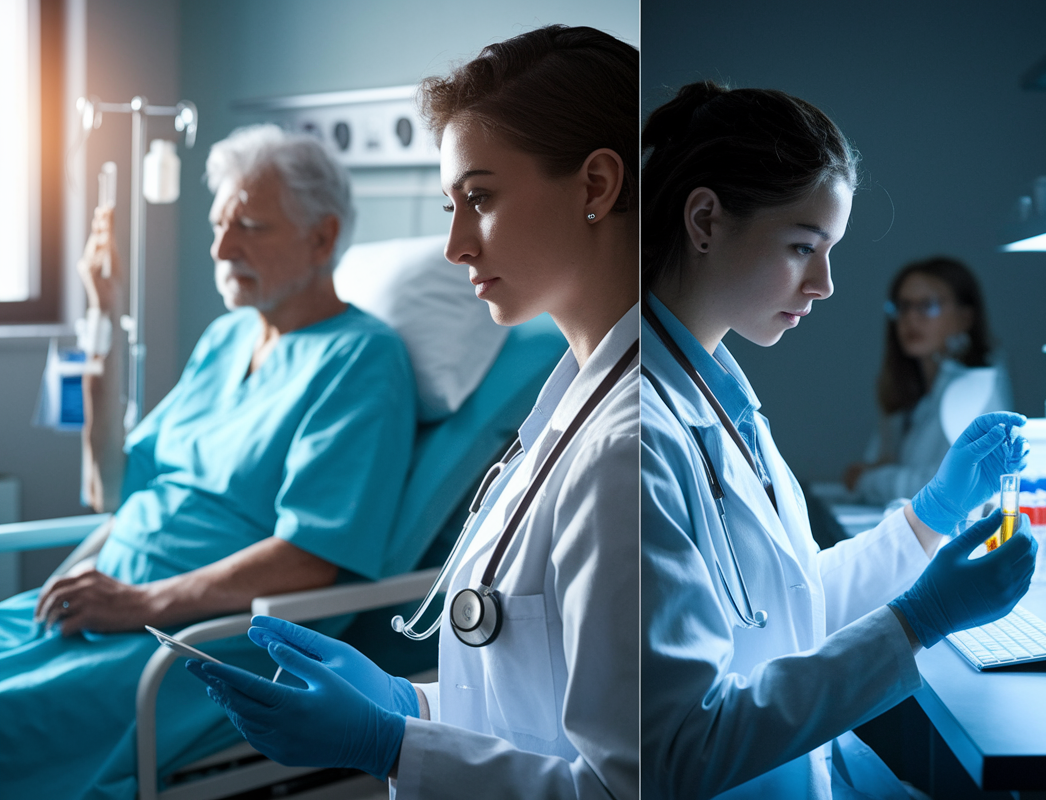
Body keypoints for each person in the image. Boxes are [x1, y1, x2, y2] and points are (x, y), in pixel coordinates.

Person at [185, 25, 640, 799]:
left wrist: (393, 745)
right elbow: (520, 705)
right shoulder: (564, 410)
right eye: (448, 205)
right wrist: (410, 704)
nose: (455, 244)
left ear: (596, 186)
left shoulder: (624, 451)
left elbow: (618, 784)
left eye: (481, 198)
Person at [639, 82, 1037, 799]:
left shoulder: (721, 400)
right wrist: (919, 620)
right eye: (802, 247)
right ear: (704, 220)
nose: (824, 284)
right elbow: (680, 753)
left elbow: (790, 605)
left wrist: (929, 517)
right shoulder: (644, 434)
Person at [0, 125, 417, 800]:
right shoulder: (226, 336)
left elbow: (310, 556)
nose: (222, 249)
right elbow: (111, 484)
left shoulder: (362, 361)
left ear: (322, 237)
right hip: (101, 597)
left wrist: (139, 604)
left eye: (251, 225)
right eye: (220, 224)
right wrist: (103, 317)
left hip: (195, 636)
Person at [843, 256, 1013, 504]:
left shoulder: (974, 386)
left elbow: (948, 486)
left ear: (965, 318)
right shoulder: (909, 390)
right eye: (903, 306)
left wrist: (868, 480)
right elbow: (876, 464)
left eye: (928, 305)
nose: (911, 318)